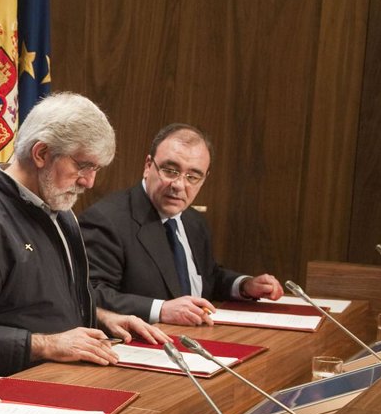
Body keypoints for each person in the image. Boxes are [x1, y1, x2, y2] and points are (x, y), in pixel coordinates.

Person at [0, 92, 168, 379]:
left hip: (65, 377)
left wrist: (101, 318)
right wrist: (47, 345)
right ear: (41, 153)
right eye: (83, 166)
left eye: (96, 169)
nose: (89, 182)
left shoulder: (58, 210)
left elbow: (42, 308)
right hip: (9, 389)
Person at [79, 123, 282, 326]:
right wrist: (161, 310)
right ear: (148, 166)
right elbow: (90, 292)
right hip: (142, 339)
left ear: (204, 179)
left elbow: (207, 277)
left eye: (192, 177)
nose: (178, 185)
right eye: (170, 171)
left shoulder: (193, 221)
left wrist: (244, 285)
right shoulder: (107, 219)